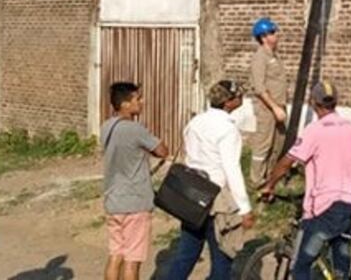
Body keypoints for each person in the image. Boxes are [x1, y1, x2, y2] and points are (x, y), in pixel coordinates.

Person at [261, 80, 351, 280]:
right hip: (348, 201)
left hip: (324, 206)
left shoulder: (315, 130)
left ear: (313, 102)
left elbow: (287, 162)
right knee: (340, 265)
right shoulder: (350, 127)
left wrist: (270, 185)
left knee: (301, 266)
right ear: (336, 102)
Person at [168, 80, 254, 280]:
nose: (241, 99)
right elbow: (232, 168)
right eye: (238, 96)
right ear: (229, 102)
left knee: (186, 253)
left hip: (191, 193)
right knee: (222, 255)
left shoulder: (196, 122)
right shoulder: (227, 129)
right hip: (215, 197)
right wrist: (245, 207)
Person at [102, 82, 169, 280]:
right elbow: (162, 150)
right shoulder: (135, 129)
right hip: (135, 202)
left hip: (113, 200)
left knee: (115, 255)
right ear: (125, 104)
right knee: (132, 260)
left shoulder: (107, 127)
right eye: (137, 99)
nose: (141, 102)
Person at [249, 17, 289, 186]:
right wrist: (274, 108)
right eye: (272, 32)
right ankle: (256, 180)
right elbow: (259, 87)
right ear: (263, 37)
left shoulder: (274, 56)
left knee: (278, 143)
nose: (276, 35)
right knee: (263, 144)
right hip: (267, 108)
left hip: (278, 106)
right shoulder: (260, 57)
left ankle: (271, 176)